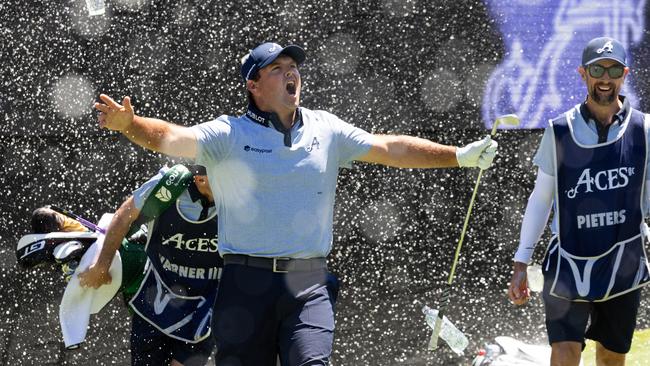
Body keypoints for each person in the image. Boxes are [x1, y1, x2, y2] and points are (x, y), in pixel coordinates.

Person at [94, 41, 498, 366]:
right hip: (243, 285)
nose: (292, 73)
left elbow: (390, 147)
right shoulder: (228, 134)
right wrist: (130, 125)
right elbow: (171, 137)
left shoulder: (327, 127)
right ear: (253, 86)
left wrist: (457, 155)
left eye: (293, 67)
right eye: (277, 69)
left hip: (308, 283)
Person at [508, 37, 650, 366]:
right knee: (564, 352)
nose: (605, 77)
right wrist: (520, 263)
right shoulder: (559, 130)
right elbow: (541, 199)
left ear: (624, 74)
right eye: (597, 69)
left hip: (623, 263)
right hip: (568, 263)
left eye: (613, 69)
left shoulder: (643, 129)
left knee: (612, 358)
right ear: (582, 74)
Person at [78, 164, 222, 366]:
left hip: (204, 308)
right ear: (201, 180)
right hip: (155, 302)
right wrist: (102, 265)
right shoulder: (169, 185)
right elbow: (123, 216)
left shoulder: (241, 197)